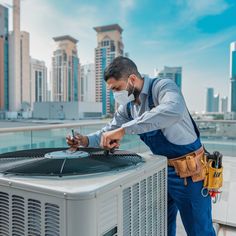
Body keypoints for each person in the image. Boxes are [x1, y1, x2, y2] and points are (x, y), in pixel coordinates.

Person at [66, 56, 216, 236]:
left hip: (190, 172)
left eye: (117, 88)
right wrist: (84, 141)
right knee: (161, 227)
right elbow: (108, 131)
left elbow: (173, 109)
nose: (115, 94)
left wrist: (123, 130)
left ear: (132, 79)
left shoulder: (162, 87)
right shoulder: (128, 108)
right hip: (160, 172)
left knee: (200, 230)